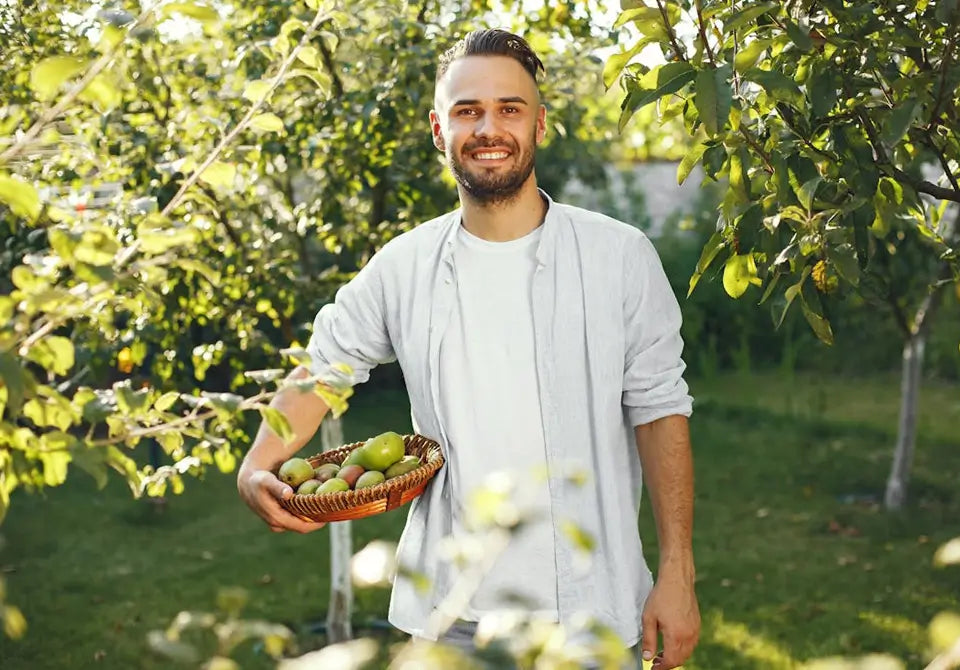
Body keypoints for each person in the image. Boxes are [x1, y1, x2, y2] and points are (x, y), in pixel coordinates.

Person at [237, 28, 699, 669]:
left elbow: (659, 408)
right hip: (451, 616)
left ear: (539, 125)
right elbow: (323, 367)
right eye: (467, 110)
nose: (489, 127)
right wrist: (259, 463)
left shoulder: (618, 256)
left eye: (510, 108)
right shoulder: (403, 266)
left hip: (594, 614)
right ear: (438, 128)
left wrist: (678, 573)